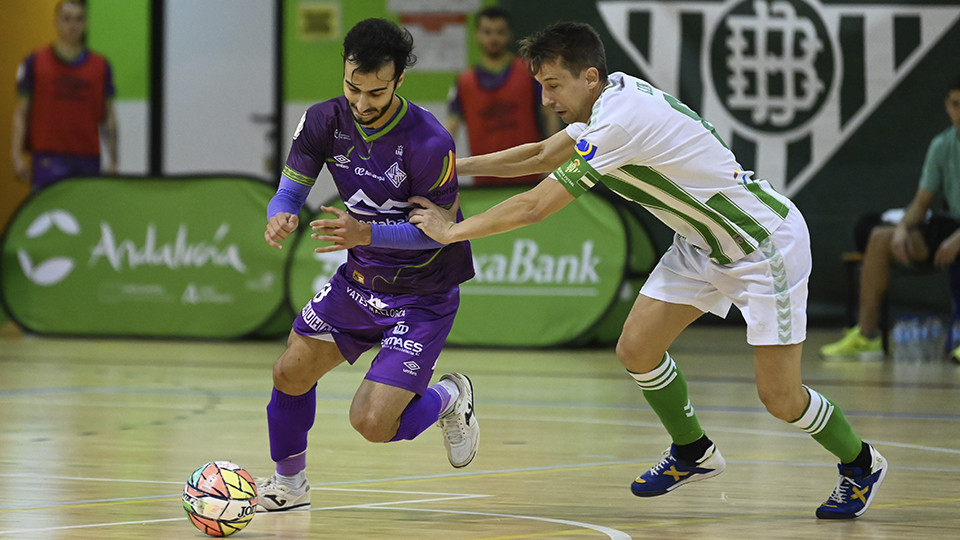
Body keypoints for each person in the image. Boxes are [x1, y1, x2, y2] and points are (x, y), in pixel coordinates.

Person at [408, 22, 886, 520]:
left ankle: (861, 462)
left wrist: (451, 231)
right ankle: (693, 452)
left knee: (781, 397)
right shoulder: (609, 98)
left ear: (589, 77)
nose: (546, 99)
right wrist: (451, 167)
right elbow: (542, 154)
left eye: (553, 86)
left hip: (763, 248)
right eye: (541, 87)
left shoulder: (618, 121)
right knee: (636, 348)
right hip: (702, 245)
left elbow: (534, 206)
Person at [256, 18, 479, 513]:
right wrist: (280, 215)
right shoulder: (323, 120)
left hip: (424, 293)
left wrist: (365, 233)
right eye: (352, 87)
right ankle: (289, 486)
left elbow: (434, 236)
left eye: (375, 92)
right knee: (290, 371)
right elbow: (290, 190)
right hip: (360, 281)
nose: (361, 103)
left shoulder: (429, 141)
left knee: (373, 424)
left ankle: (447, 397)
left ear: (399, 80)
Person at [821, 75, 960, 362]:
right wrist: (902, 229)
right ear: (947, 106)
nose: (959, 112)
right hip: (953, 224)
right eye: (955, 104)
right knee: (880, 237)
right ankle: (867, 336)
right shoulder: (942, 145)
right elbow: (922, 202)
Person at [443, 7, 560, 186]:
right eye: (487, 32)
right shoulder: (464, 82)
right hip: (484, 184)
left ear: (510, 34)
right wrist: (438, 169)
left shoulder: (530, 72)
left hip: (529, 179)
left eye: (500, 32)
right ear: (477, 35)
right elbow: (450, 128)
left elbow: (551, 114)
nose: (493, 38)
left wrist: (552, 162)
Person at [11, 0, 118, 192]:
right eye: (66, 19)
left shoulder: (100, 67)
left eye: (79, 19)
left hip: (88, 159)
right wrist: (16, 154)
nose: (72, 25)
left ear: (86, 23)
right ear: (56, 22)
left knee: (85, 217)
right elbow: (21, 113)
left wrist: (114, 159)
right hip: (48, 159)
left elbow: (108, 116)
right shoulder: (35, 62)